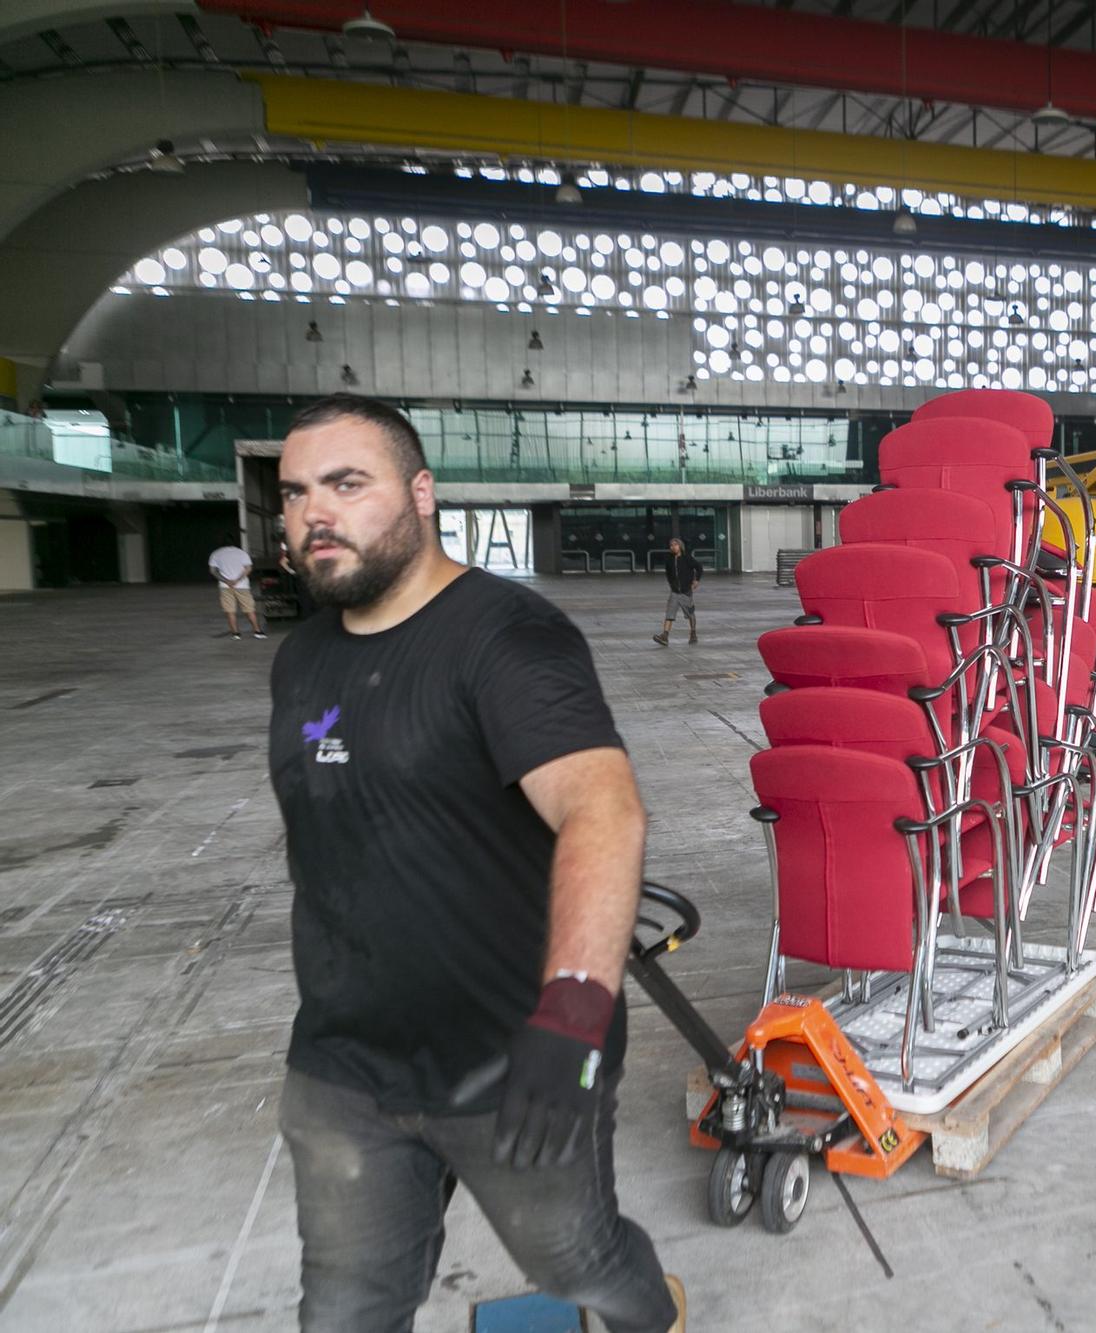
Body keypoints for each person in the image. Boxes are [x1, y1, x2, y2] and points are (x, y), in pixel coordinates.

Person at [267, 393, 683, 1333]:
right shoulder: (299, 661)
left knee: (577, 1259)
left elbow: (602, 806)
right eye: (294, 494)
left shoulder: (504, 636)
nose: (313, 514)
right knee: (342, 1308)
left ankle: (655, 1316)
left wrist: (574, 1012)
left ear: (421, 493)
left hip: (515, 1057)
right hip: (344, 1064)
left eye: (346, 484)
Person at [208, 537, 266, 639]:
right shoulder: (241, 553)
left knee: (230, 611)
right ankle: (257, 631)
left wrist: (226, 581)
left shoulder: (216, 553)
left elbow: (213, 571)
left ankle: (235, 634)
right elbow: (248, 568)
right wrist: (238, 580)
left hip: (225, 586)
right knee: (249, 609)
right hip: (242, 586)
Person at [652, 537, 702, 645]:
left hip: (686, 592)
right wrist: (672, 585)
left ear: (680, 546)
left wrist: (696, 580)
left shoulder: (687, 558)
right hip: (674, 592)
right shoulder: (669, 559)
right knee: (669, 614)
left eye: (675, 545)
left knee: (690, 614)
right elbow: (668, 573)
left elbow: (699, 567)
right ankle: (665, 636)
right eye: (671, 545)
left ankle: (693, 634)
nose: (673, 547)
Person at [280, 541, 319, 619]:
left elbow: (282, 562)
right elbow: (282, 562)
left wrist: (292, 572)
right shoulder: (297, 553)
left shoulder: (296, 552)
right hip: (306, 580)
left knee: (308, 602)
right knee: (310, 602)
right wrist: (292, 572)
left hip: (306, 579)